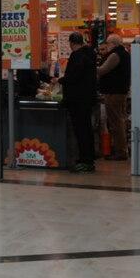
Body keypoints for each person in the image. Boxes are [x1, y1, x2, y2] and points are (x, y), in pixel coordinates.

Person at [60, 32, 98, 173]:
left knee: (81, 131)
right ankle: (88, 159)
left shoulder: (77, 56)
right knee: (86, 129)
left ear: (71, 43)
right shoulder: (90, 54)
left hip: (77, 100)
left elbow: (73, 77)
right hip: (87, 98)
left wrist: (60, 80)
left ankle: (85, 161)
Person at [96, 34, 131, 160]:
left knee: (116, 122)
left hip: (113, 92)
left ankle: (120, 152)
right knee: (120, 120)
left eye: (108, 43)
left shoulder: (115, 55)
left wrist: (89, 67)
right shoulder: (125, 54)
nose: (106, 46)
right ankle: (121, 149)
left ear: (113, 44)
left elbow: (102, 70)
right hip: (121, 91)